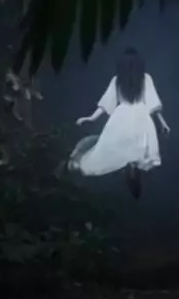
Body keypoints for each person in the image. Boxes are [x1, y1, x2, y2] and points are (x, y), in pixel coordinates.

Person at [68, 47, 170, 198]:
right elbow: (153, 104)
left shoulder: (119, 80)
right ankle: (133, 175)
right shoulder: (142, 78)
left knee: (125, 151)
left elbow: (106, 103)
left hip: (122, 117)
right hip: (141, 117)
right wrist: (163, 123)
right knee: (137, 154)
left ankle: (131, 173)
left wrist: (91, 118)